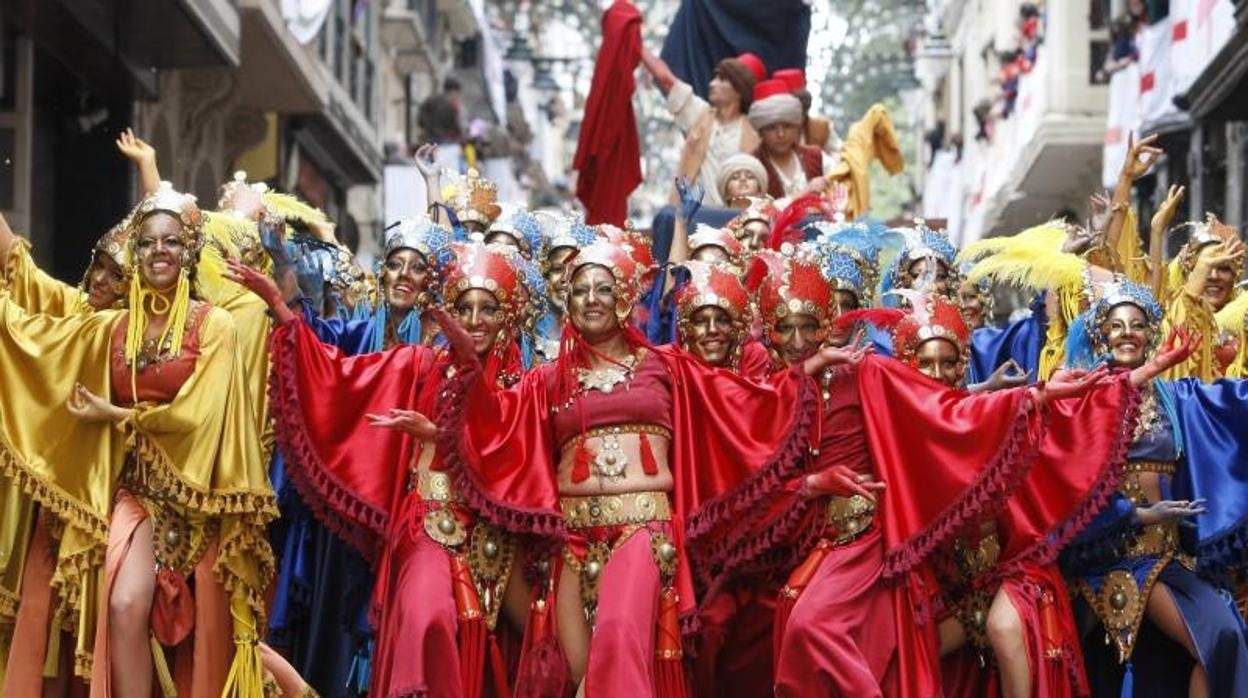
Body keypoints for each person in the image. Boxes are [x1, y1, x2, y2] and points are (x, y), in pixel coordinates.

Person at [435, 238, 821, 696]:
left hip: (641, 531)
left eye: (603, 288)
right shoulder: (548, 378)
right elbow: (496, 427)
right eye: (580, 290)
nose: (591, 299)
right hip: (573, 543)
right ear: (568, 301)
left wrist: (809, 369)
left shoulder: (665, 367)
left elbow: (738, 406)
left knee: (618, 638)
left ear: (622, 298)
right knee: (579, 671)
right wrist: (460, 374)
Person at [0, 185, 276, 697]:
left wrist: (119, 414)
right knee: (126, 605)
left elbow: (201, 414)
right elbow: (40, 343)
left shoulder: (214, 326)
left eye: (170, 242)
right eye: (147, 244)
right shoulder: (113, 328)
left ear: (190, 251)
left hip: (200, 503)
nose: (158, 253)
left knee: (217, 639)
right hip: (135, 496)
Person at [256, 241, 540, 697]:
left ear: (508, 313)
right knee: (427, 619)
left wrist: (442, 435)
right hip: (428, 524)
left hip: (497, 539)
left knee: (531, 644)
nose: (474, 320)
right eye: (464, 307)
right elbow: (340, 376)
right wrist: (280, 308)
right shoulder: (420, 365)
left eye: (487, 308)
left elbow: (515, 459)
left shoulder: (525, 385)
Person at [1062, 280, 1248, 698]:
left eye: (1137, 324)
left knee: (1223, 638)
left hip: (1163, 557)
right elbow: (1070, 480)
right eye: (1116, 325)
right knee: (1073, 669)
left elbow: (1232, 406)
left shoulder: (1176, 398)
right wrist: (1137, 514)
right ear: (1100, 335)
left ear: (1151, 336)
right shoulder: (1082, 399)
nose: (1127, 332)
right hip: (1098, 557)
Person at [641, 50, 761, 207]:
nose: (712, 84)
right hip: (695, 220)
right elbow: (666, 79)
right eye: (715, 77)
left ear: (739, 90)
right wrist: (636, 42)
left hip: (736, 222)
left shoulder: (754, 134)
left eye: (722, 79)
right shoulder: (700, 115)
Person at [748, 79, 827, 200]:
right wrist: (806, 191)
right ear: (760, 132)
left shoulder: (816, 156)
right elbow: (756, 210)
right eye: (771, 128)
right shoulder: (751, 166)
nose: (781, 134)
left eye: (787, 126)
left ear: (797, 127)